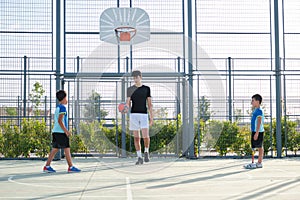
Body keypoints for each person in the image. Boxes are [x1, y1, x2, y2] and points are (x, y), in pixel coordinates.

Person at [43, 90, 81, 173]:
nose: (67, 99)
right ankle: (70, 167)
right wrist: (66, 131)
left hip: (56, 131)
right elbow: (60, 121)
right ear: (64, 98)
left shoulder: (58, 107)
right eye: (66, 97)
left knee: (54, 149)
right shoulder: (63, 108)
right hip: (60, 132)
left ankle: (47, 166)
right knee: (67, 149)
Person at [125, 70, 153, 165]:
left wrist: (151, 117)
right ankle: (139, 157)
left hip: (144, 115)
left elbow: (149, 104)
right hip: (134, 115)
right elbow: (128, 103)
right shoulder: (130, 89)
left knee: (146, 136)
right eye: (134, 78)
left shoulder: (146, 89)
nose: (135, 79)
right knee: (136, 138)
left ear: (140, 77)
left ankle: (146, 152)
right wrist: (125, 108)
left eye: (137, 77)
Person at [244, 94, 265, 169]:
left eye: (253, 100)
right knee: (254, 146)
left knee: (259, 147)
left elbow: (259, 122)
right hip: (255, 131)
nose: (251, 102)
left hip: (258, 131)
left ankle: (259, 163)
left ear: (258, 101)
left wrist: (257, 133)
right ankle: (255, 162)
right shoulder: (256, 110)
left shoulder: (259, 111)